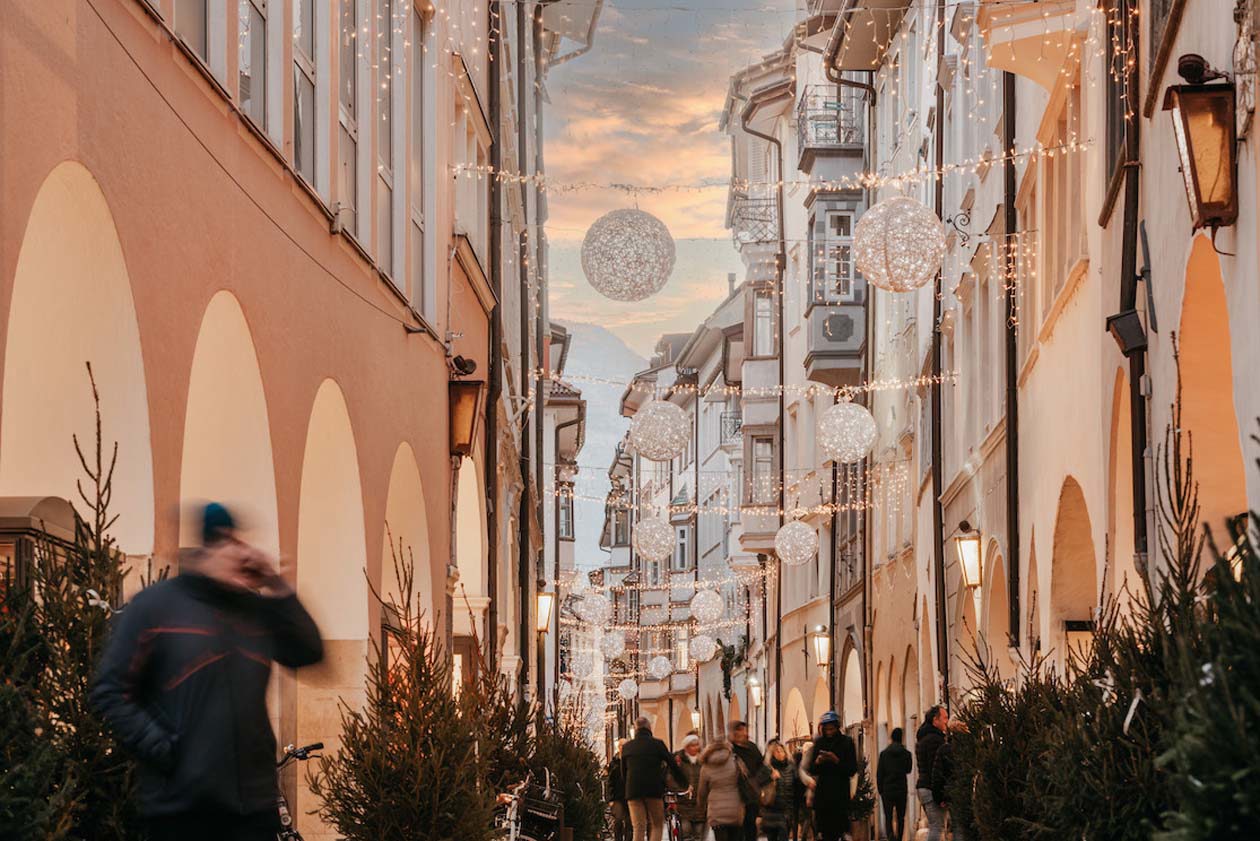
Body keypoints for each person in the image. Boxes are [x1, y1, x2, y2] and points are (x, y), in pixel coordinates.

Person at [90, 503, 324, 841]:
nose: (235, 553)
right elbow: (109, 691)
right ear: (204, 551)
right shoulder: (156, 607)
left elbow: (308, 651)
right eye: (224, 543)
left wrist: (277, 585)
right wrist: (166, 749)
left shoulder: (254, 611)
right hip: (182, 810)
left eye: (237, 542)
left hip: (254, 810)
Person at [621, 716, 689, 841]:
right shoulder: (657, 744)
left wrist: (627, 789)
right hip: (653, 790)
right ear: (649, 728)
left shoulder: (627, 747)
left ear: (635, 730)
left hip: (633, 791)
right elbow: (672, 764)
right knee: (657, 824)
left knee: (638, 827)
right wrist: (684, 782)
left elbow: (623, 773)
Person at [799, 712, 858, 841]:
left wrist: (836, 760)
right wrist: (818, 762)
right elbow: (812, 769)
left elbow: (852, 769)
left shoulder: (847, 743)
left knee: (839, 830)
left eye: (832, 729)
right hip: (823, 795)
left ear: (837, 727)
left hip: (840, 793)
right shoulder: (819, 743)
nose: (829, 732)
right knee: (824, 832)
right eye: (826, 729)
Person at [729, 720, 771, 841]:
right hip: (735, 795)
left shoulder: (752, 747)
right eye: (738, 730)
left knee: (750, 827)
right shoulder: (729, 749)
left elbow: (761, 767)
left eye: (743, 729)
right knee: (737, 829)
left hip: (751, 795)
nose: (742, 733)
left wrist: (759, 782)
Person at [698, 736, 745, 841]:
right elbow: (744, 780)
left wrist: (701, 807)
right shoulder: (735, 761)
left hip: (716, 811)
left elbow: (702, 792)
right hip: (735, 807)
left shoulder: (706, 766)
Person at [915, 705, 949, 841]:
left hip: (923, 787)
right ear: (936, 720)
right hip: (931, 788)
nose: (947, 721)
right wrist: (940, 795)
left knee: (936, 826)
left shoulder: (923, 738)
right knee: (937, 827)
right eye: (945, 718)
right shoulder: (935, 740)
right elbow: (935, 770)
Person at [931, 720, 970, 841]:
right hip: (969, 792)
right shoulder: (970, 748)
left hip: (953, 794)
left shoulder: (944, 750)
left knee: (957, 827)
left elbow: (937, 775)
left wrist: (939, 797)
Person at [877, 728, 913, 841]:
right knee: (901, 817)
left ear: (891, 737)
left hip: (887, 789)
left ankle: (890, 837)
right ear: (901, 737)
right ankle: (899, 838)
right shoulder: (907, 754)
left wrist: (880, 789)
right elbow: (908, 769)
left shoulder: (884, 754)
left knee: (888, 816)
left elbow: (880, 773)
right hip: (901, 788)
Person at [760, 739, 799, 841]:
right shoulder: (766, 768)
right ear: (771, 754)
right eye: (776, 751)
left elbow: (797, 788)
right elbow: (758, 783)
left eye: (781, 750)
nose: (780, 753)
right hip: (771, 812)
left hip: (786, 811)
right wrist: (770, 778)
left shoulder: (791, 767)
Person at [674, 733, 706, 841]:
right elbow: (671, 778)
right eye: (693, 745)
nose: (696, 747)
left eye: (697, 745)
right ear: (686, 747)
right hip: (684, 803)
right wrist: (681, 790)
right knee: (686, 834)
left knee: (699, 835)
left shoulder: (703, 760)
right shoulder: (679, 761)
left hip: (700, 803)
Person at [609, 739, 631, 841]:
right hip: (617, 797)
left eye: (624, 745)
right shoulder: (614, 763)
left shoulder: (631, 762)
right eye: (621, 746)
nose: (622, 748)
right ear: (618, 747)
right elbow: (610, 781)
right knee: (618, 821)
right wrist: (610, 798)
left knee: (629, 822)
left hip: (630, 795)